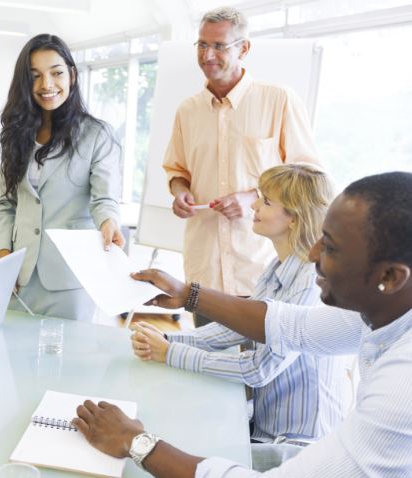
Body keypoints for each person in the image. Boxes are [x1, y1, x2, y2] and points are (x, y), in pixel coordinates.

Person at [74, 171, 412, 476]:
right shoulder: (379, 310)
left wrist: (137, 442)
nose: (313, 255)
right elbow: (290, 325)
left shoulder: (402, 386)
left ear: (390, 276)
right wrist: (187, 294)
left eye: (332, 248)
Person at [134, 164, 348, 447]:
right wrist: (167, 339)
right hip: (265, 426)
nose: (254, 205)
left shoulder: (310, 284)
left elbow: (259, 369)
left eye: (267, 202)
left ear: (294, 219)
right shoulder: (277, 267)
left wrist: (172, 352)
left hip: (296, 443)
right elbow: (239, 330)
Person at [163, 6, 321, 326]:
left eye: (219, 46)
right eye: (202, 45)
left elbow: (308, 174)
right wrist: (179, 192)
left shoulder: (279, 100)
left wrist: (251, 197)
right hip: (204, 269)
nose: (207, 55)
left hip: (261, 267)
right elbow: (177, 172)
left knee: (257, 369)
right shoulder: (187, 111)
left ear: (243, 48)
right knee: (204, 367)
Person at [0, 33, 124, 321]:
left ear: (72, 76)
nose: (46, 85)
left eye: (56, 73)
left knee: (68, 361)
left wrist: (109, 221)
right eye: (35, 76)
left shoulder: (97, 135)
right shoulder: (15, 135)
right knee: (12, 357)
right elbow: (5, 204)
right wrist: (2, 255)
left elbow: (104, 198)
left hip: (69, 275)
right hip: (18, 272)